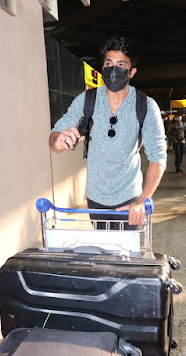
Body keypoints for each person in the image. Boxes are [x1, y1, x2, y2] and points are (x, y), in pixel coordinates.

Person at [49, 37, 167, 229]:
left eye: (121, 65)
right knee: (103, 254)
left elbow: (158, 156)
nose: (114, 70)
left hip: (130, 198)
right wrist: (57, 142)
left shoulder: (145, 105)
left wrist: (142, 201)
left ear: (132, 72)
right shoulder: (87, 99)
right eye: (109, 64)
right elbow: (56, 134)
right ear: (103, 68)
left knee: (127, 256)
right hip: (96, 198)